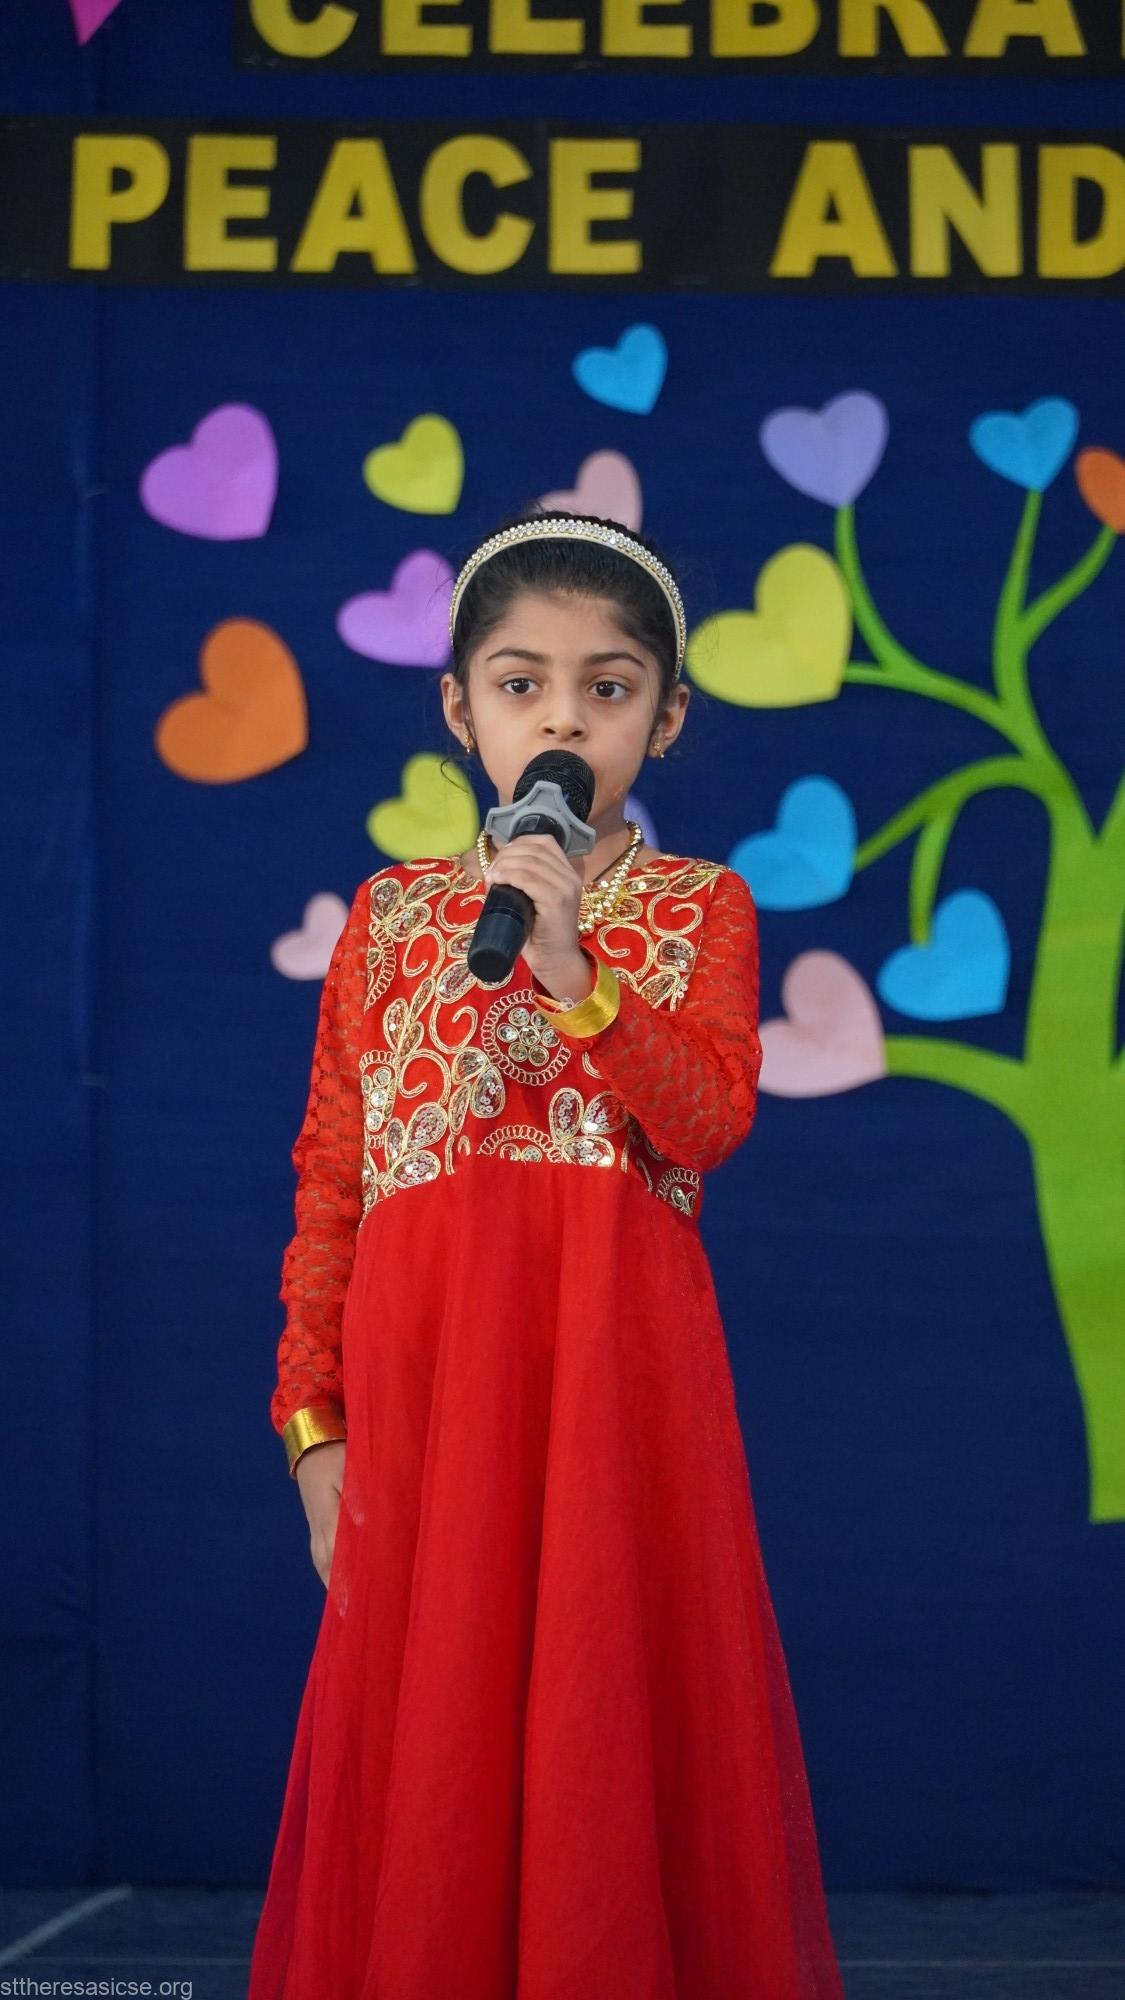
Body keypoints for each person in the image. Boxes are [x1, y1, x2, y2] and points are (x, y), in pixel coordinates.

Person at [247, 509, 846, 1999]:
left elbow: (705, 1121)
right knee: (434, 1730)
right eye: (522, 685)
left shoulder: (698, 907)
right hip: (431, 1390)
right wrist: (314, 1424)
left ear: (667, 715)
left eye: (607, 687)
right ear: (460, 709)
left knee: (601, 1705)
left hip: (608, 1387)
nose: (563, 721)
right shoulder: (392, 917)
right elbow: (333, 1180)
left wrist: (580, 973)